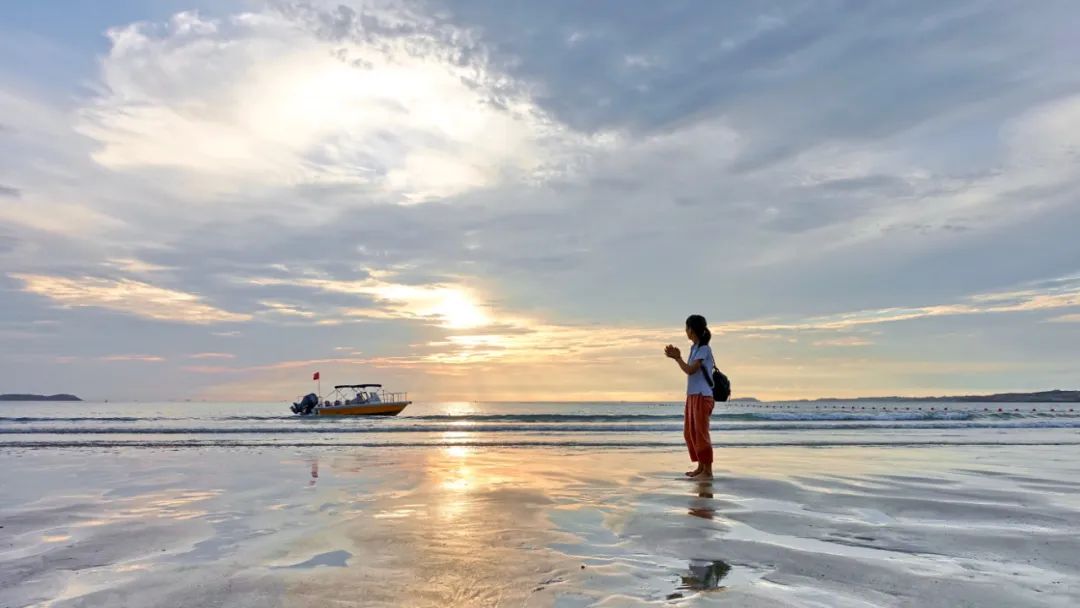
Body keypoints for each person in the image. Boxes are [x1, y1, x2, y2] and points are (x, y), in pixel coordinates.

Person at [664, 314, 716, 479]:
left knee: (700, 433)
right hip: (693, 395)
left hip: (702, 395)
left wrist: (677, 358)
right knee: (690, 433)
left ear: (692, 330)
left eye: (686, 328)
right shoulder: (694, 348)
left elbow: (691, 370)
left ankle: (707, 471)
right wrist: (678, 358)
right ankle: (701, 467)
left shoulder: (704, 349)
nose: (685, 331)